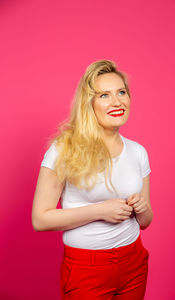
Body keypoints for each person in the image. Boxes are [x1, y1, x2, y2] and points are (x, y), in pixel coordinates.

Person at [32, 59, 153, 300]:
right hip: (86, 267)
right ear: (89, 103)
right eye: (104, 95)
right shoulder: (64, 150)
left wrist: (142, 208)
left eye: (121, 92)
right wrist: (99, 211)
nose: (117, 101)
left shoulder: (138, 152)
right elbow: (40, 219)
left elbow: (145, 221)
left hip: (134, 262)